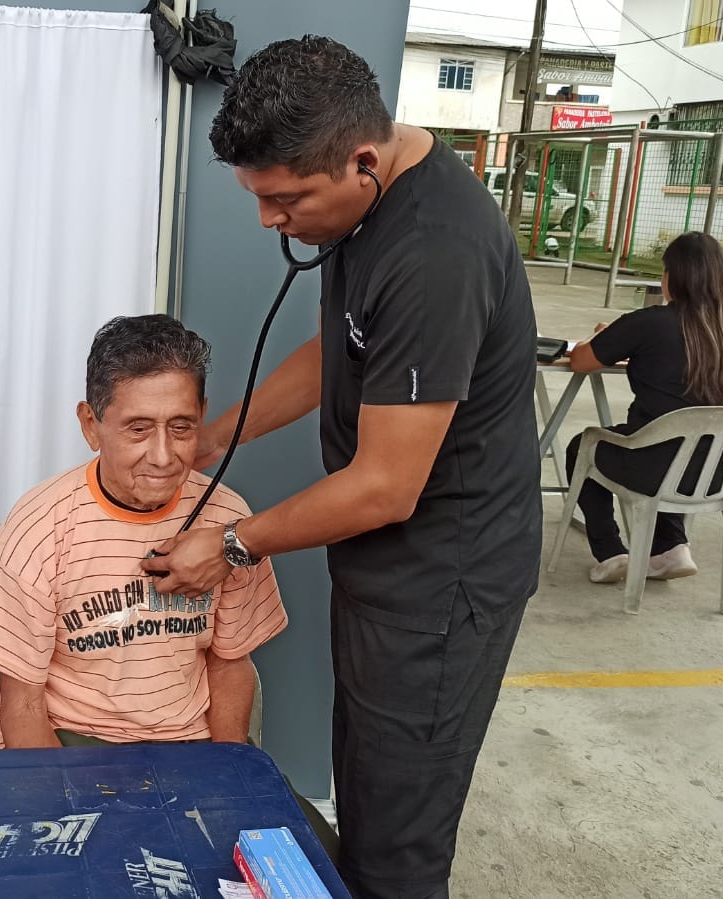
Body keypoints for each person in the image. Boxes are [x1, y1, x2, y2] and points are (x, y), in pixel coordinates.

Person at [144, 37, 541, 898]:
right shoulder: (365, 206)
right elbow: (342, 347)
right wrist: (214, 436)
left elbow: (385, 486)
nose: (268, 220)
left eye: (285, 199)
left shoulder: (434, 252)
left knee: (398, 844)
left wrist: (233, 544)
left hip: (443, 586)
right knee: (363, 793)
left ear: (361, 162)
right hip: (386, 570)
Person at [0, 314, 338, 853]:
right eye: (137, 428)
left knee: (316, 863)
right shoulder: (41, 525)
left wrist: (224, 775)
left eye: (181, 427)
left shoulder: (228, 520)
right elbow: (23, 704)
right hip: (71, 744)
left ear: (202, 416)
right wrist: (66, 810)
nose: (162, 455)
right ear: (91, 425)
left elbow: (231, 664)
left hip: (186, 750)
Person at [566, 231, 723, 584]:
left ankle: (611, 552)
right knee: (679, 446)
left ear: (673, 275)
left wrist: (604, 336)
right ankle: (671, 547)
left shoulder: (650, 322)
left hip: (658, 464)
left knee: (583, 446)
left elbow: (581, 360)